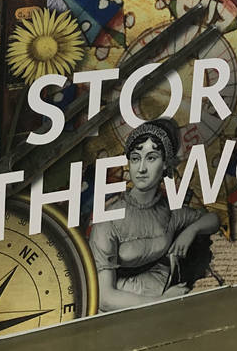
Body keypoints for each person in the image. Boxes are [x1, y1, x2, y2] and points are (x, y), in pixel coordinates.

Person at [88, 118, 221, 312]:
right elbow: (105, 298)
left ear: (166, 164)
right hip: (124, 310)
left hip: (167, 295)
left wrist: (192, 230)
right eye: (135, 158)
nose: (141, 168)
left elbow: (213, 219)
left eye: (151, 158)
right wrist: (162, 301)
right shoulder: (108, 219)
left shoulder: (169, 211)